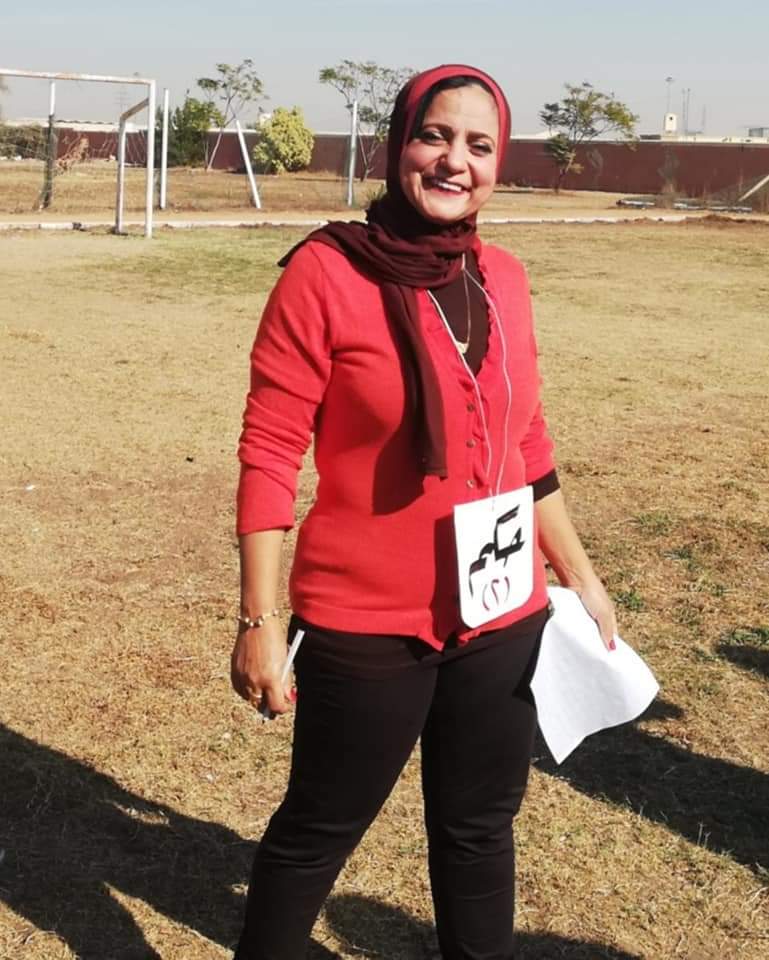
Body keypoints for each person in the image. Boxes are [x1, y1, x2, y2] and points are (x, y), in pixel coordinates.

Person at [231, 64, 616, 960]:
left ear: (497, 163)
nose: (454, 161)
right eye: (434, 136)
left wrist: (580, 576)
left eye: (479, 145)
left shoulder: (503, 277)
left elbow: (526, 442)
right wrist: (258, 619)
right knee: (319, 830)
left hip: (502, 610)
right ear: (397, 143)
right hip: (366, 621)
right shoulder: (325, 273)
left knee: (479, 829)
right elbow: (270, 452)